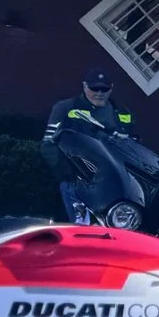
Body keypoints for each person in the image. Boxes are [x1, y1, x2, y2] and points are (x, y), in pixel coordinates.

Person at [43, 67, 137, 223]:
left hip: (115, 183)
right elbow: (49, 144)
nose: (99, 93)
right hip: (78, 181)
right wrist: (68, 174)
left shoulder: (123, 113)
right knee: (82, 227)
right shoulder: (66, 108)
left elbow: (132, 147)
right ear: (85, 86)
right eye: (94, 88)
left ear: (111, 88)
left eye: (104, 89)